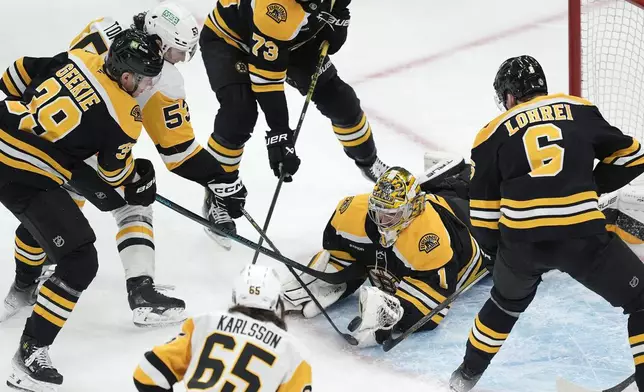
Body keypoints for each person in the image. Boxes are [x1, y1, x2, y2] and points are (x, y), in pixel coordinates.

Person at [0, 2, 219, 326]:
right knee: (134, 205)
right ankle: (142, 292)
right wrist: (220, 177)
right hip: (94, 151)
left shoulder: (100, 28)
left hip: (46, 136)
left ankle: (22, 288)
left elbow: (48, 70)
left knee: (49, 215)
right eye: (175, 52)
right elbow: (177, 149)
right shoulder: (162, 79)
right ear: (158, 43)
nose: (175, 61)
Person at [448, 55, 644, 391]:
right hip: (581, 235)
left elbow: (481, 213)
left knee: (504, 305)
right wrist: (591, 184)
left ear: (509, 96)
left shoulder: (489, 133)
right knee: (641, 302)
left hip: (523, 244)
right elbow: (634, 157)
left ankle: (464, 376)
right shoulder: (578, 108)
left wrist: (499, 255)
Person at [0, 29, 164, 391]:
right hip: (25, 175)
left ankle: (23, 289)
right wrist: (141, 177)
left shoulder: (79, 56)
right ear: (126, 75)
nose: (148, 85)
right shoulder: (126, 115)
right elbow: (114, 176)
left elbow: (14, 74)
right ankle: (29, 355)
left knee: (41, 227)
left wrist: (33, 122)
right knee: (79, 260)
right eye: (145, 78)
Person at [198, 0, 391, 247]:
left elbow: (336, 18)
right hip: (231, 40)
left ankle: (369, 162)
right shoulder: (276, 8)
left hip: (292, 42)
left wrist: (337, 20)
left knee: (342, 102)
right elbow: (266, 81)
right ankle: (218, 193)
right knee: (239, 113)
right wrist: (280, 134)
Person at [281, 165, 490, 347]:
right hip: (437, 200)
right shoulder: (350, 211)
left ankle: (470, 172)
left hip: (472, 226)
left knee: (489, 194)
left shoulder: (429, 239)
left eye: (391, 215)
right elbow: (341, 250)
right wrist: (332, 274)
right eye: (378, 211)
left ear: (412, 211)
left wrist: (394, 315)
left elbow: (431, 304)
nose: (382, 221)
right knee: (446, 187)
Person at [133, 264, 312, 392]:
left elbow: (148, 373)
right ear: (276, 302)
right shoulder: (294, 354)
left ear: (235, 296)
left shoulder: (205, 324)